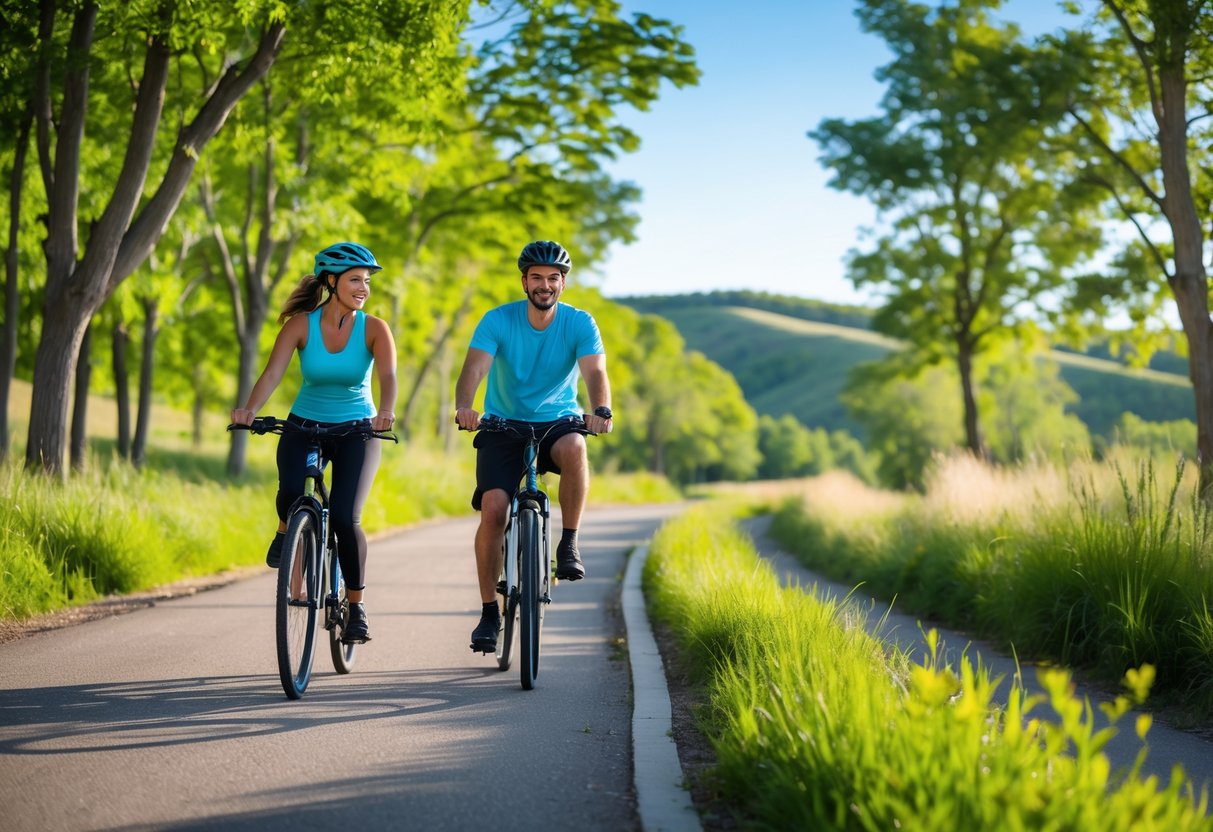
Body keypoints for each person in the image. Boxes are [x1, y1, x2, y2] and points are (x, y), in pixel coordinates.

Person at [231, 242, 397, 644]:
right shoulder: (301, 325)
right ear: (331, 281)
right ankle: (288, 528)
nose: (363, 288)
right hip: (305, 423)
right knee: (291, 491)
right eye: (355, 280)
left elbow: (388, 376)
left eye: (366, 281)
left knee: (344, 517)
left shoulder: (374, 328)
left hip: (358, 429)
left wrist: (386, 411)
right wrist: (249, 409)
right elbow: (272, 374)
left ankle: (355, 607)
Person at [454, 239, 614, 654]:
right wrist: (465, 407)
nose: (545, 285)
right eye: (537, 278)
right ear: (524, 281)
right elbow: (475, 366)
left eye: (553, 279)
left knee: (577, 448)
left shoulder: (579, 323)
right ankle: (490, 611)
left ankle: (569, 541)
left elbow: (595, 370)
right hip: (503, 423)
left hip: (558, 420)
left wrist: (601, 408)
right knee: (493, 510)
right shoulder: (498, 320)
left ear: (563, 283)